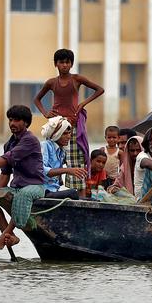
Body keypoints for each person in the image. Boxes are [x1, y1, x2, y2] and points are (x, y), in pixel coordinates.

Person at [0, 108, 87, 249]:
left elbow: (8, 158)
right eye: (10, 120)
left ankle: (6, 234)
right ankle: (9, 236)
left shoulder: (30, 140)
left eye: (16, 120)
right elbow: (5, 172)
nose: (12, 123)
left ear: (25, 123)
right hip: (18, 187)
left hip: (36, 187)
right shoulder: (9, 144)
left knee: (24, 195)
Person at [34, 49, 104, 195]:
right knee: (52, 161)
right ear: (56, 64)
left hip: (72, 128)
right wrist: (46, 113)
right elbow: (37, 99)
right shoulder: (52, 82)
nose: (64, 65)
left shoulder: (77, 79)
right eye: (61, 62)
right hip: (56, 129)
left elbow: (99, 89)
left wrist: (83, 104)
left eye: (67, 62)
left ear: (71, 64)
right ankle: (51, 192)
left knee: (77, 161)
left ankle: (81, 196)